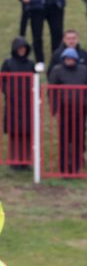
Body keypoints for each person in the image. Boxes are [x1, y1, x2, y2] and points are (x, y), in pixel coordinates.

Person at [47, 48, 87, 175]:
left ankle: (76, 166)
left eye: (72, 58)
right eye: (67, 58)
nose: (69, 61)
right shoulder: (57, 70)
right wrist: (55, 109)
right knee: (64, 138)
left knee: (78, 137)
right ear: (63, 59)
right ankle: (64, 166)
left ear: (76, 59)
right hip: (63, 110)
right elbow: (51, 91)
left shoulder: (84, 70)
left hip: (80, 110)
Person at [2, 37, 35, 169]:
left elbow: (36, 80)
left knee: (27, 133)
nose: (22, 50)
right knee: (14, 133)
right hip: (13, 104)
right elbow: (2, 80)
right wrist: (8, 92)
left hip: (28, 103)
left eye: (24, 48)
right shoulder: (8, 63)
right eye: (20, 48)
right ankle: (15, 161)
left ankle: (26, 161)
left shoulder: (30, 64)